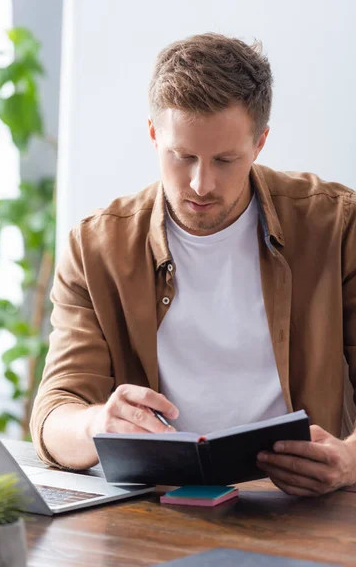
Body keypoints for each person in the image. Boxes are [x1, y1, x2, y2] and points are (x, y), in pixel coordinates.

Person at [30, 32, 356, 497]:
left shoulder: (336, 224)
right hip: (159, 509)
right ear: (152, 135)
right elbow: (53, 417)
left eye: (226, 160)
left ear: (260, 142)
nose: (202, 184)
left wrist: (347, 462)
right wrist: (96, 424)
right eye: (182, 157)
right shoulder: (95, 247)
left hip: (302, 508)